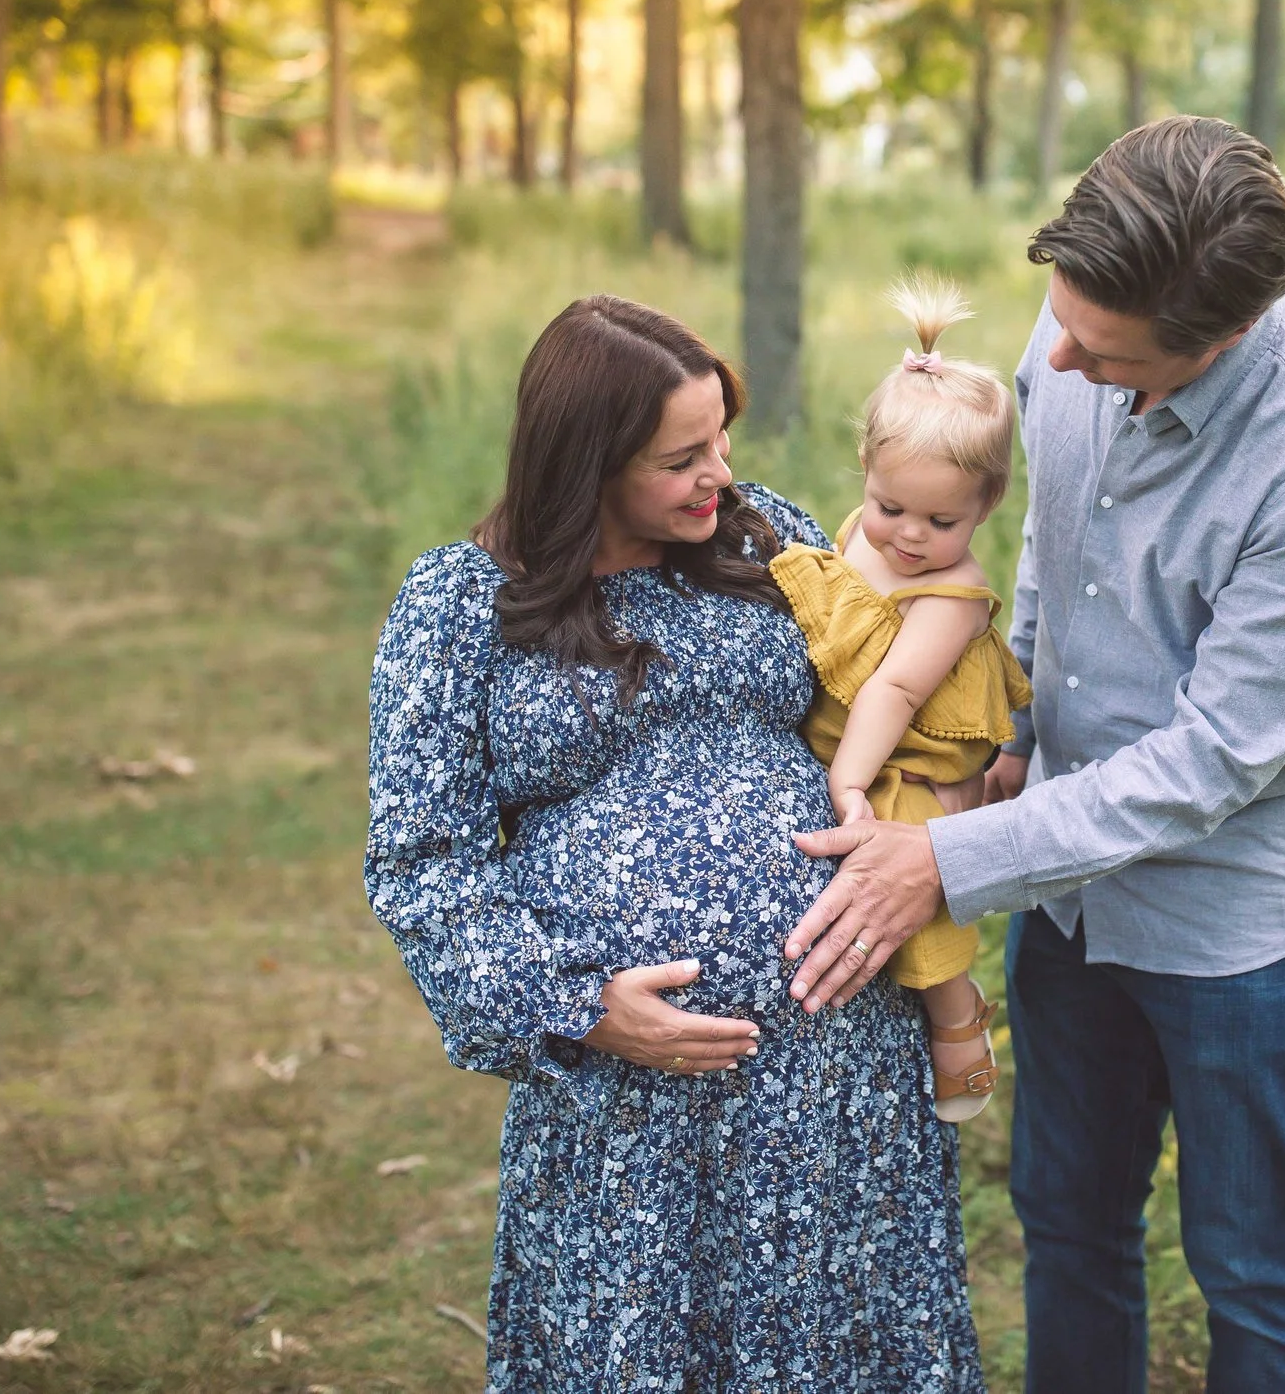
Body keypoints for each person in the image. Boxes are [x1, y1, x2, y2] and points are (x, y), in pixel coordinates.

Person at [782, 116, 1285, 1393]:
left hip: (1243, 918)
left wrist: (949, 858)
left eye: (1104, 352)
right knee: (1068, 1224)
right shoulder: (1086, 313)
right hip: (1065, 878)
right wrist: (1007, 723)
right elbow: (1052, 555)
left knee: (1254, 1267)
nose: (1057, 360)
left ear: (1220, 334)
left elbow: (1211, 762)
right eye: (1058, 318)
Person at [365, 295, 983, 1392]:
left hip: (836, 1075)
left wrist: (939, 819)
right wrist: (576, 1006)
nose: (719, 474)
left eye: (722, 439)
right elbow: (422, 863)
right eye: (681, 458)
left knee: (835, 1340)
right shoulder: (459, 604)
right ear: (586, 463)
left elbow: (912, 675)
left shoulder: (763, 537)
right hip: (629, 1101)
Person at [769, 281, 1031, 1121]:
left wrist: (848, 783)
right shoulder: (858, 530)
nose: (909, 535)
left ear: (987, 504)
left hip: (908, 755)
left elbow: (896, 686)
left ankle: (957, 1013)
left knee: (908, 871)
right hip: (850, 734)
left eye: (940, 520)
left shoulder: (953, 593)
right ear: (866, 472)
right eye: (891, 507)